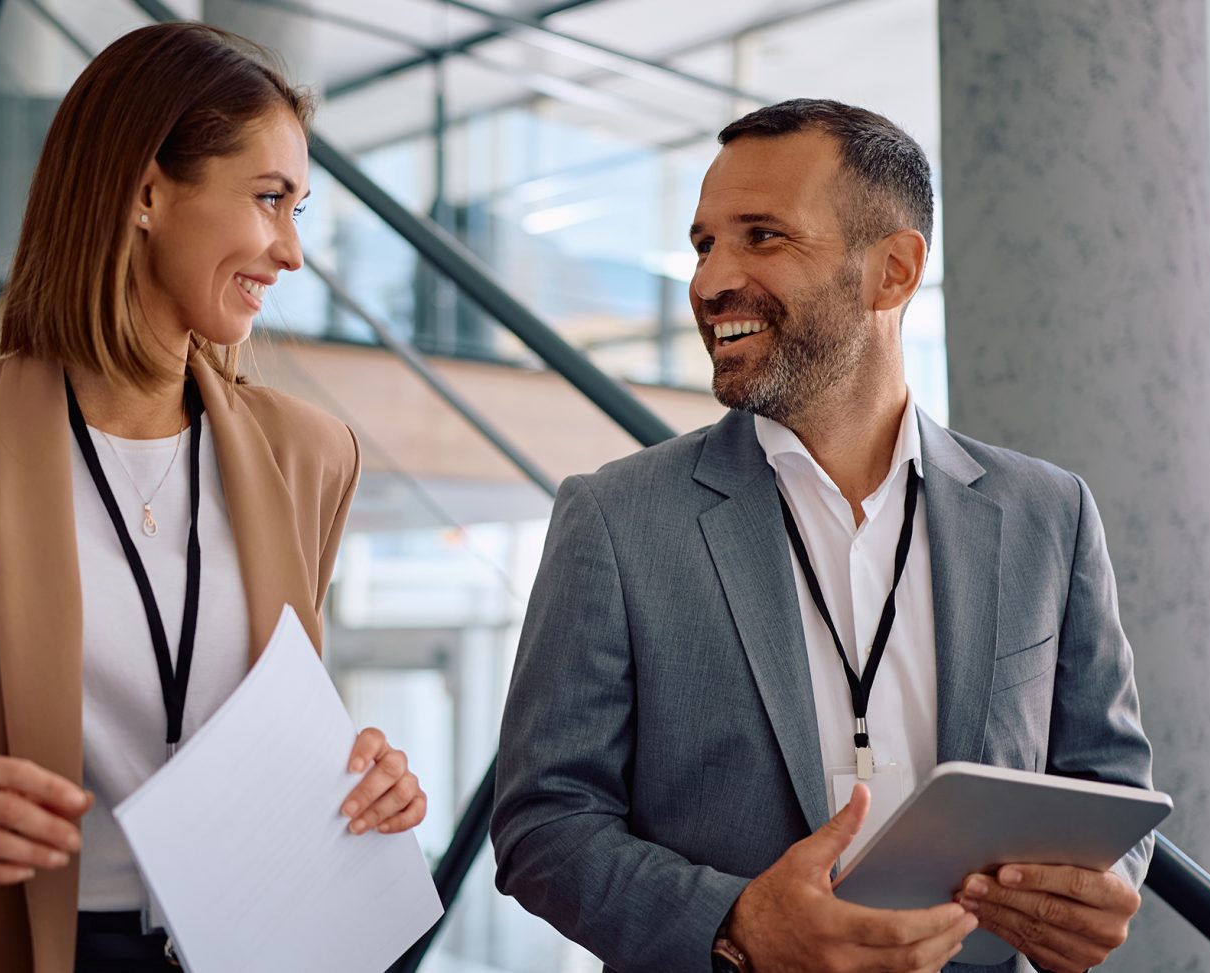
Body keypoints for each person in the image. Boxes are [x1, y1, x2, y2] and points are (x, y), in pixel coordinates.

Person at [0, 24, 426, 973]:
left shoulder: (311, 455)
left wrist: (360, 776)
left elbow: (275, 716)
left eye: (299, 209)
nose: (292, 252)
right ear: (146, 191)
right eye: (270, 200)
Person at [490, 99, 1152, 973]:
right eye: (702, 243)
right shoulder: (614, 519)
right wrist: (736, 923)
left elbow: (1108, 785)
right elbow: (544, 823)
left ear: (893, 272)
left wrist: (1099, 890)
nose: (707, 281)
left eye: (761, 236)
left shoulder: (1049, 513)